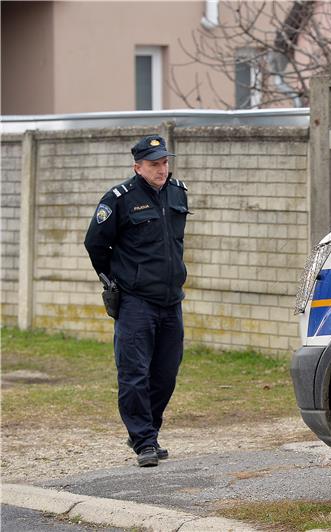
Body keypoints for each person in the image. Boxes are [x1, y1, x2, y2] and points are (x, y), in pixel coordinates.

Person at [84, 135, 190, 467]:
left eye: (165, 162)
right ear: (138, 166)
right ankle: (144, 440)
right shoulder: (119, 199)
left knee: (166, 374)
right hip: (136, 302)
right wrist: (115, 281)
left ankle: (146, 430)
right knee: (134, 373)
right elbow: (95, 245)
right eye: (155, 164)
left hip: (171, 301)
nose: (162, 169)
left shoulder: (177, 192)